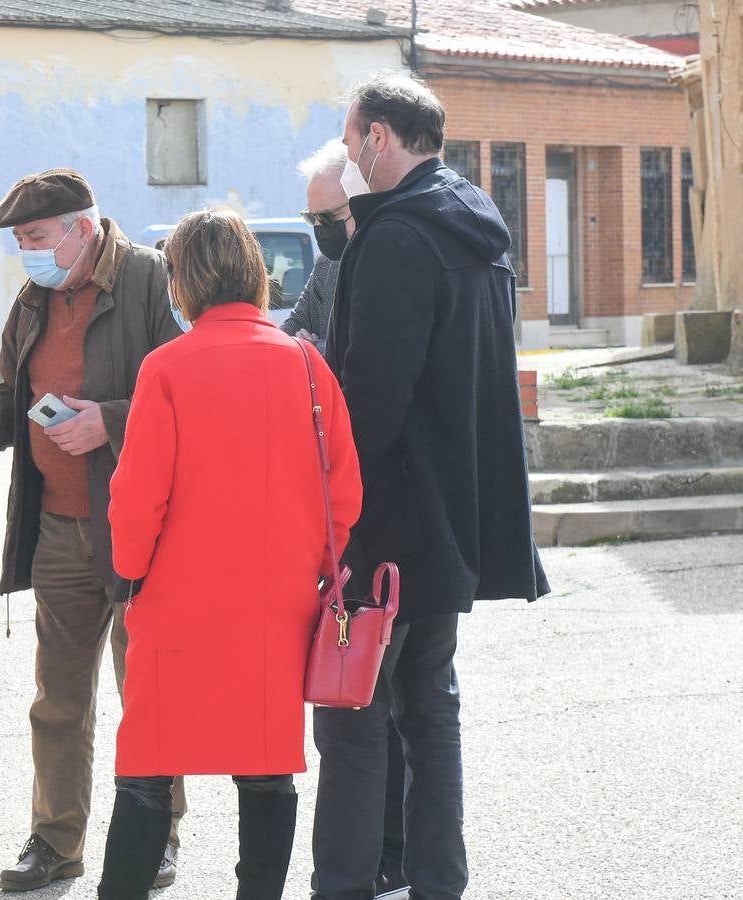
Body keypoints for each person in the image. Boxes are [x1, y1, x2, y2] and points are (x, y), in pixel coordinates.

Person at [310, 74, 549, 900]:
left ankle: (343, 883)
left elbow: (371, 396)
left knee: (351, 719)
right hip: (450, 520)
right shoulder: (475, 223)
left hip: (386, 526)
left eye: (349, 143)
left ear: (380, 137)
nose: (346, 159)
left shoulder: (398, 235)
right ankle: (434, 879)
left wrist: (329, 507)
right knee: (429, 709)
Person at [0, 168, 185, 892]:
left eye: (35, 238)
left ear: (83, 227)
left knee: (150, 696)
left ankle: (156, 835)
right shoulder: (36, 294)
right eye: (18, 242)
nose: (26, 253)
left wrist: (109, 419)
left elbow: (194, 391)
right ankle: (54, 844)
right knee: (58, 702)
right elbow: (15, 393)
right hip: (59, 528)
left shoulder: (150, 280)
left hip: (142, 530)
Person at [95, 208, 362, 900]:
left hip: (178, 604)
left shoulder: (169, 367)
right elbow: (345, 490)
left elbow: (138, 497)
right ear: (252, 270)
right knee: (268, 765)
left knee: (149, 766)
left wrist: (129, 572)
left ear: (182, 279)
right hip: (278, 605)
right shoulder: (305, 364)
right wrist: (316, 569)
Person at [286, 138, 408, 899]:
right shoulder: (335, 264)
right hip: (335, 506)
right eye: (314, 219)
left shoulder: (397, 264)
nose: (322, 233)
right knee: (367, 703)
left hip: (376, 514)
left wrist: (315, 363)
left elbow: (357, 378)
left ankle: (357, 874)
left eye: (330, 217)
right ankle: (379, 862)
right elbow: (295, 335)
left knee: (361, 706)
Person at [281, 139, 353, 355]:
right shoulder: (326, 264)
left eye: (328, 217)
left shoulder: (390, 262)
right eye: (312, 217)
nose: (320, 227)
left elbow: (366, 350)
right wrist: (306, 346)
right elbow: (289, 332)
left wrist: (313, 348)